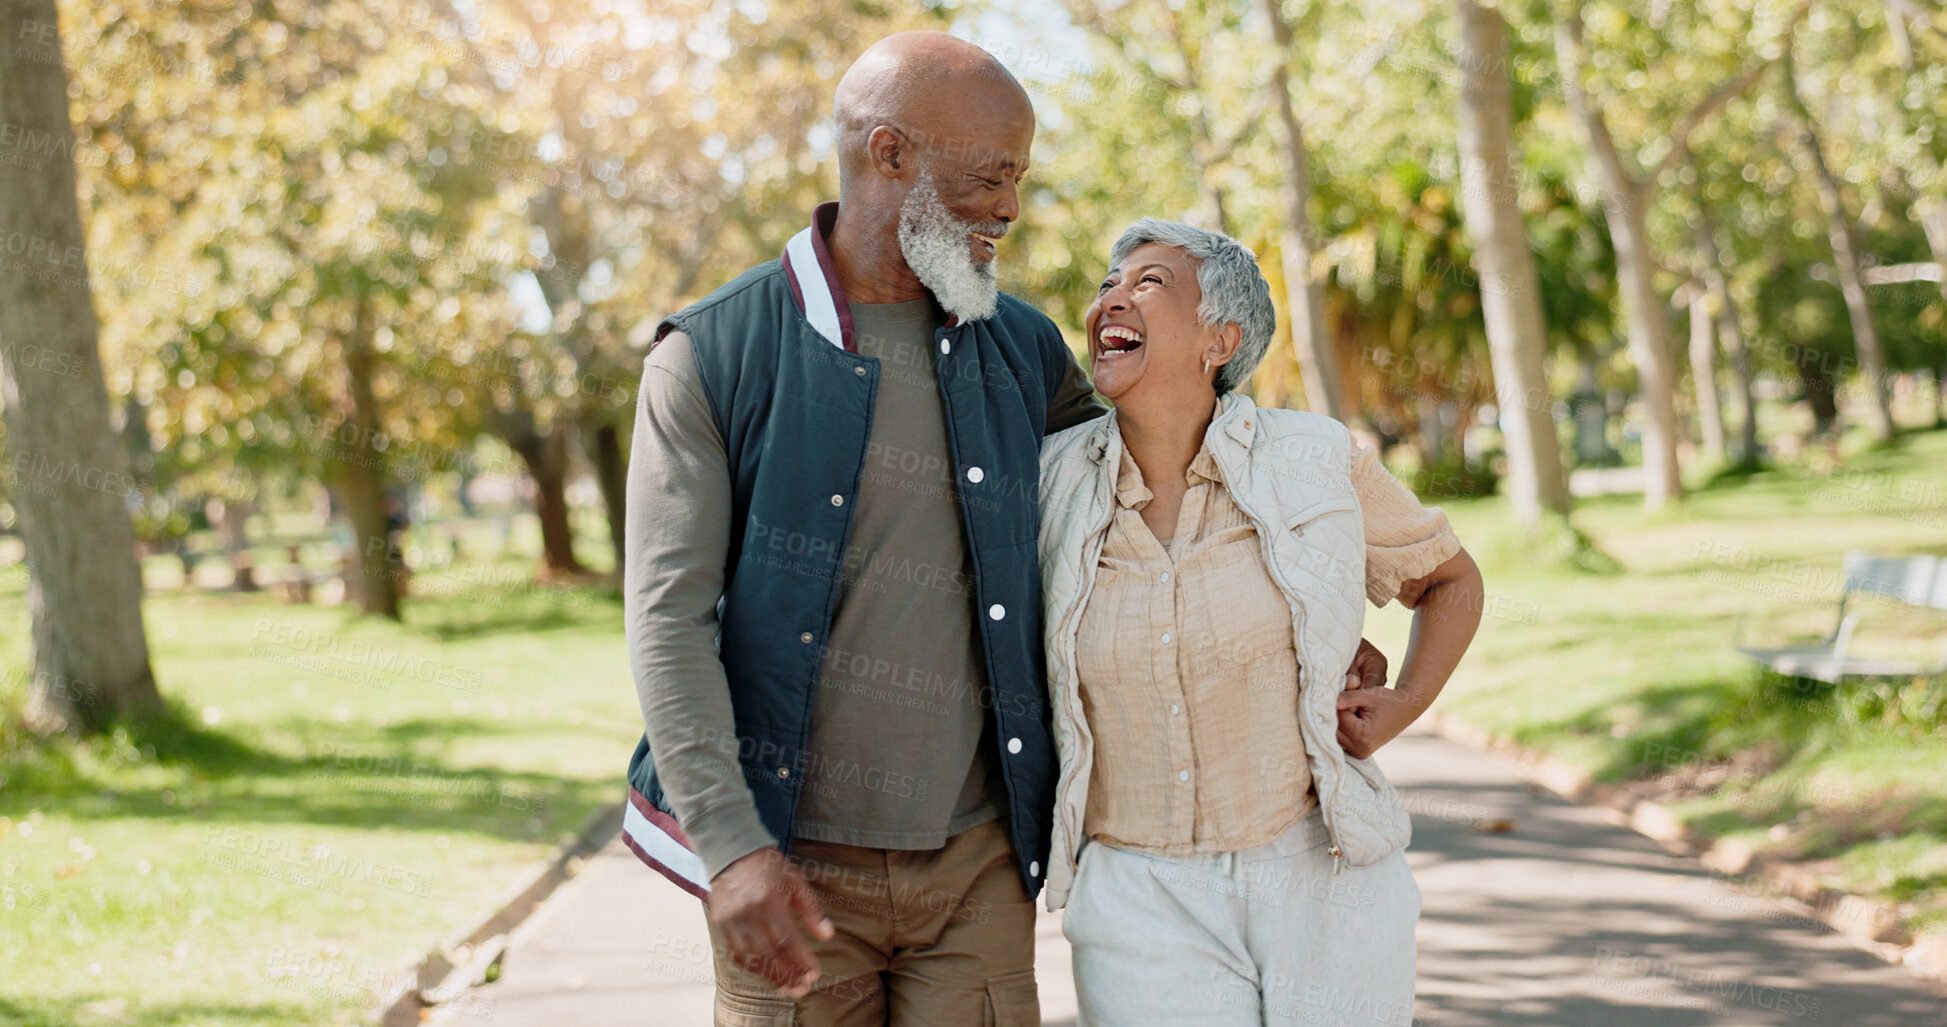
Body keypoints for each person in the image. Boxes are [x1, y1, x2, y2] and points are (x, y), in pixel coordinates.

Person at [1037, 219, 1485, 1026]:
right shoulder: (1049, 482)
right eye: (1109, 281)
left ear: (1219, 339)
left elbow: (1447, 578)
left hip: (1319, 867)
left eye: (1149, 281)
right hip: (1136, 890)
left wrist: (1406, 700)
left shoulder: (1315, 458)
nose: (1113, 296)